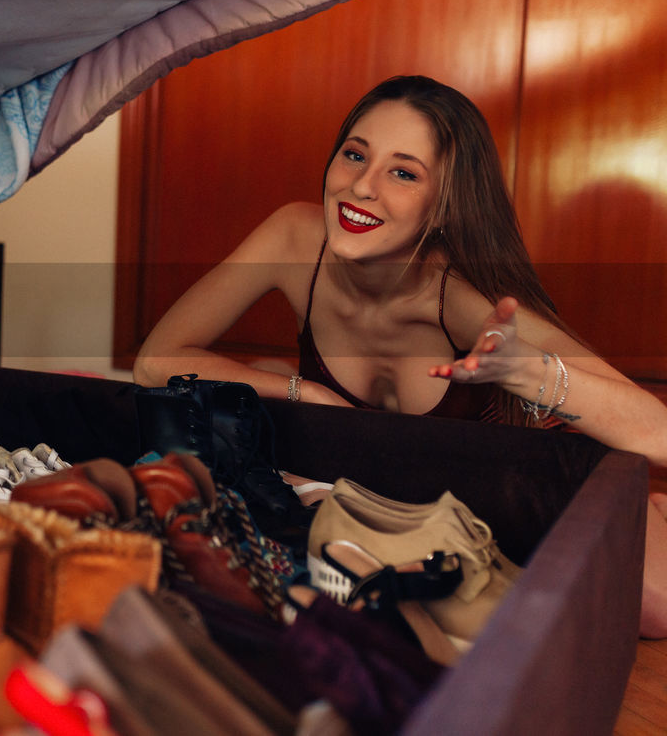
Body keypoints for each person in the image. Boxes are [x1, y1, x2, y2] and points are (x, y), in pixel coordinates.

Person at [132, 75, 667, 637]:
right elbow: (157, 359)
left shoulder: (461, 294)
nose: (361, 186)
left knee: (654, 606)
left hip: (493, 501)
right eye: (355, 155)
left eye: (404, 172)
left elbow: (658, 433)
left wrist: (522, 370)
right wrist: (302, 390)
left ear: (442, 207)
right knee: (258, 395)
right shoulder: (293, 237)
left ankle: (655, 511)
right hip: (381, 500)